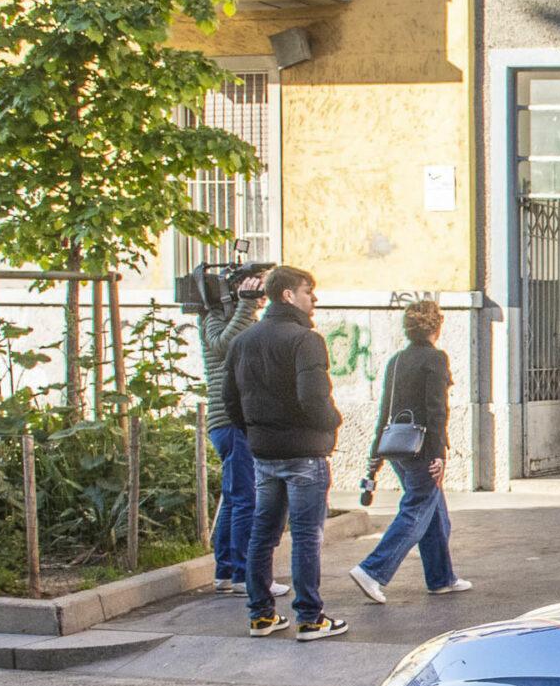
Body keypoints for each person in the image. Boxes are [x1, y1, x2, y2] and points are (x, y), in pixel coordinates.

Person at [224, 265, 347, 641]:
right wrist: (332, 423)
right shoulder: (305, 341)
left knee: (264, 532)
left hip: (264, 453)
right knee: (307, 534)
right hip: (304, 453)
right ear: (288, 295)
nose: (315, 300)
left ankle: (260, 615)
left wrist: (256, 433)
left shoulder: (243, 341)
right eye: (309, 292)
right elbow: (314, 397)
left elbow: (230, 400)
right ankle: (310, 617)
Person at [349, 299, 471, 603]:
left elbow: (385, 410)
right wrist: (439, 455)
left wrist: (375, 455)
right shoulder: (435, 359)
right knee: (417, 511)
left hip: (397, 447)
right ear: (437, 326)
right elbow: (436, 410)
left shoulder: (397, 360)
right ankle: (372, 570)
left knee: (437, 517)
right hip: (422, 449)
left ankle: (441, 578)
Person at [193, 264, 265, 592]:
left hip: (231, 423)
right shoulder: (214, 317)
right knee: (245, 498)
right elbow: (224, 346)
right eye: (254, 287)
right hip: (231, 421)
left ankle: (224, 571)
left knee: (233, 497)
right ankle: (242, 575)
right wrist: (246, 305)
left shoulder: (235, 316)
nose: (260, 296)